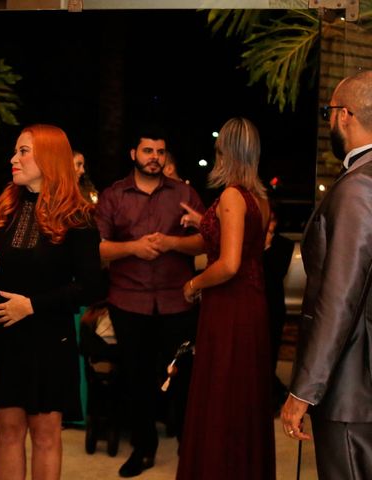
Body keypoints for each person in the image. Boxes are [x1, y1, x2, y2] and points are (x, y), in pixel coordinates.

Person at [0, 124, 103, 480]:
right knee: (8, 433)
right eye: (16, 151)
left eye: (23, 152)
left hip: (50, 341)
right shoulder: (3, 209)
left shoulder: (78, 218)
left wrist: (33, 305)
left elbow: (92, 287)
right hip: (4, 342)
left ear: (48, 158)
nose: (13, 159)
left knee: (46, 437)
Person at [158, 117, 274, 480]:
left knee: (221, 396)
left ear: (227, 150)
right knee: (241, 396)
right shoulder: (259, 198)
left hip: (230, 305)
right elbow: (231, 244)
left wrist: (194, 285)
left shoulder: (231, 197)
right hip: (252, 304)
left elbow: (228, 264)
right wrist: (195, 227)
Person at [95, 125, 203, 478]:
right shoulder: (114, 196)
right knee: (137, 379)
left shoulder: (184, 193)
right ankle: (143, 449)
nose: (154, 158)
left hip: (178, 301)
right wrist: (134, 248)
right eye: (147, 151)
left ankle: (191, 450)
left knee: (184, 377)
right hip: (129, 302)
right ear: (134, 154)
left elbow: (206, 241)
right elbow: (99, 249)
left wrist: (173, 243)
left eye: (159, 151)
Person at [281, 70, 372, 479]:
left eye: (328, 112)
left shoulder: (359, 187)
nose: (329, 120)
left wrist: (304, 390)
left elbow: (340, 295)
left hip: (352, 388)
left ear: (346, 115)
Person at [262, 199, 294, 413]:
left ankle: (269, 400)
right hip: (252, 304)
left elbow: (275, 274)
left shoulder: (285, 244)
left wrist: (266, 247)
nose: (269, 225)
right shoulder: (249, 242)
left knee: (271, 352)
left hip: (273, 305)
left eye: (272, 220)